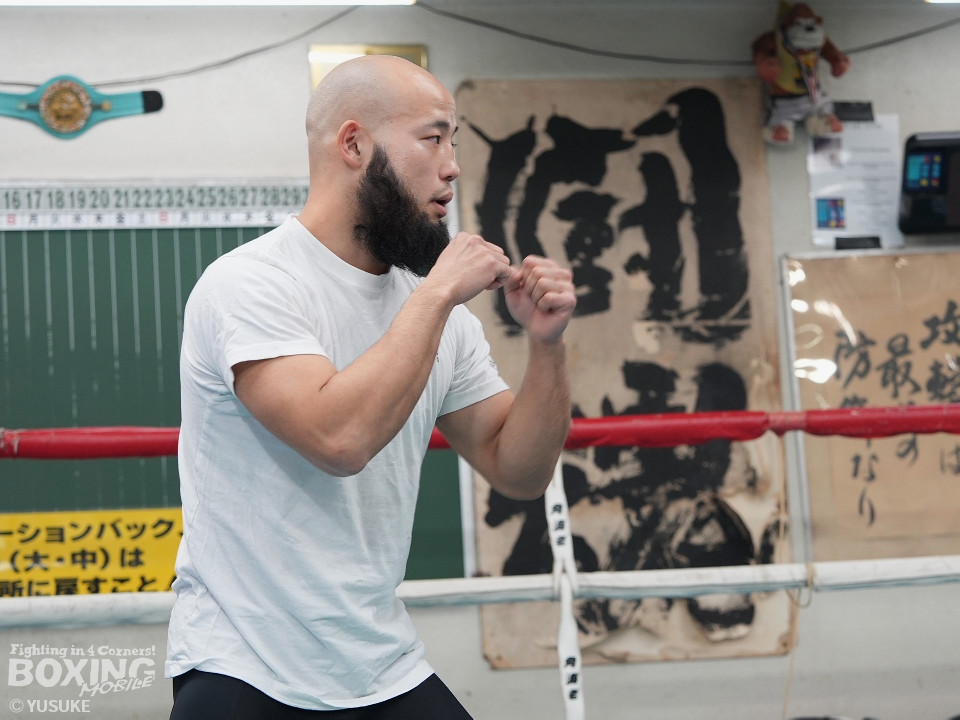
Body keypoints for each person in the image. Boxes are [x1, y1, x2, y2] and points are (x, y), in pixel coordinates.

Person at [165, 55, 576, 719]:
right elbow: (339, 439)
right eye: (432, 138)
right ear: (354, 144)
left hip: (379, 663)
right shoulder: (251, 284)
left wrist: (547, 345)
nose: (452, 167)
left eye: (454, 143)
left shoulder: (436, 312)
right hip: (244, 665)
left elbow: (520, 471)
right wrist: (439, 291)